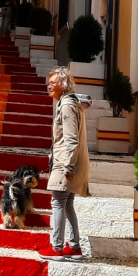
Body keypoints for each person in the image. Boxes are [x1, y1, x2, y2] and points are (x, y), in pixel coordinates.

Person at [39, 66, 90, 260]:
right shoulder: (71, 104)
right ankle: (75, 247)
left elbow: (71, 140)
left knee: (58, 202)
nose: (49, 87)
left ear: (63, 84)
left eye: (52, 83)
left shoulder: (67, 106)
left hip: (66, 162)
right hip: (71, 161)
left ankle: (57, 247)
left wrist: (67, 167)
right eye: (48, 83)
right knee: (67, 203)